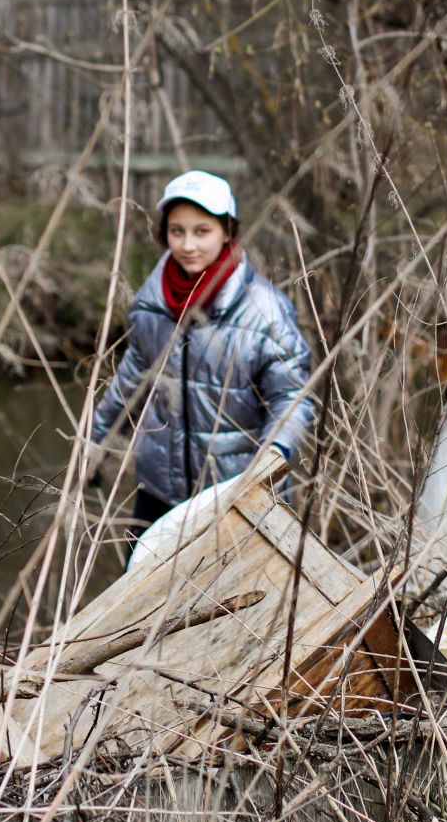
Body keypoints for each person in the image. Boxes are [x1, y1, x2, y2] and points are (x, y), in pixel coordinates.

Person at [89, 170, 316, 544]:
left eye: (202, 231)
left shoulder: (264, 310)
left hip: (237, 492)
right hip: (159, 492)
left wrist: (273, 456)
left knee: (239, 598)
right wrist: (93, 445)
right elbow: (129, 382)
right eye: (177, 231)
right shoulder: (152, 304)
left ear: (227, 231)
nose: (188, 245)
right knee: (144, 595)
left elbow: (291, 396)